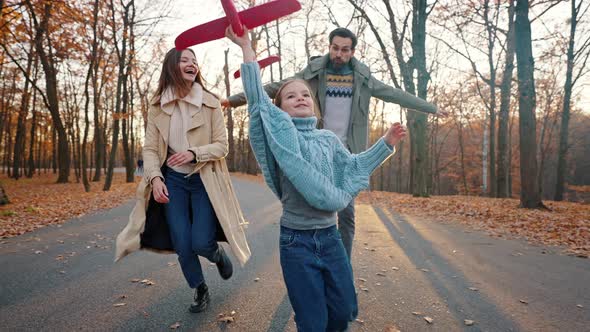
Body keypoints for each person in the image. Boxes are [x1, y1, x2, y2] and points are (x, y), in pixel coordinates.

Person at [226, 26, 407, 332]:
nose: (300, 97)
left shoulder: (327, 139)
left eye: (305, 94)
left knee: (344, 311)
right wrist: (247, 48)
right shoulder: (281, 141)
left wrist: (385, 142)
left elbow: (354, 165)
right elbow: (258, 103)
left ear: (314, 103)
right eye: (290, 96)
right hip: (296, 242)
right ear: (280, 109)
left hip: (330, 238)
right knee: (312, 322)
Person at [224, 27, 440, 260]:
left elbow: (395, 94)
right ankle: (306, 259)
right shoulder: (313, 74)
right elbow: (271, 89)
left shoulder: (363, 79)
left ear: (353, 51)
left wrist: (431, 108)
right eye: (335, 48)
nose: (339, 54)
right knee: (309, 207)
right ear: (329, 47)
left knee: (346, 215)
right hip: (315, 145)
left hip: (345, 151)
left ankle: (341, 264)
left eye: (344, 50)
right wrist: (232, 100)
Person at [114, 47, 251, 314]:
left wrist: (194, 152)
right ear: (171, 67)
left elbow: (222, 146)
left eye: (194, 61)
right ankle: (199, 288)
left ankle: (218, 255)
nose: (192, 64)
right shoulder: (157, 107)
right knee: (182, 242)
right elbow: (151, 149)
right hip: (173, 182)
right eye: (184, 60)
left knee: (201, 242)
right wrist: (155, 178)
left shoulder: (210, 102)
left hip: (204, 180)